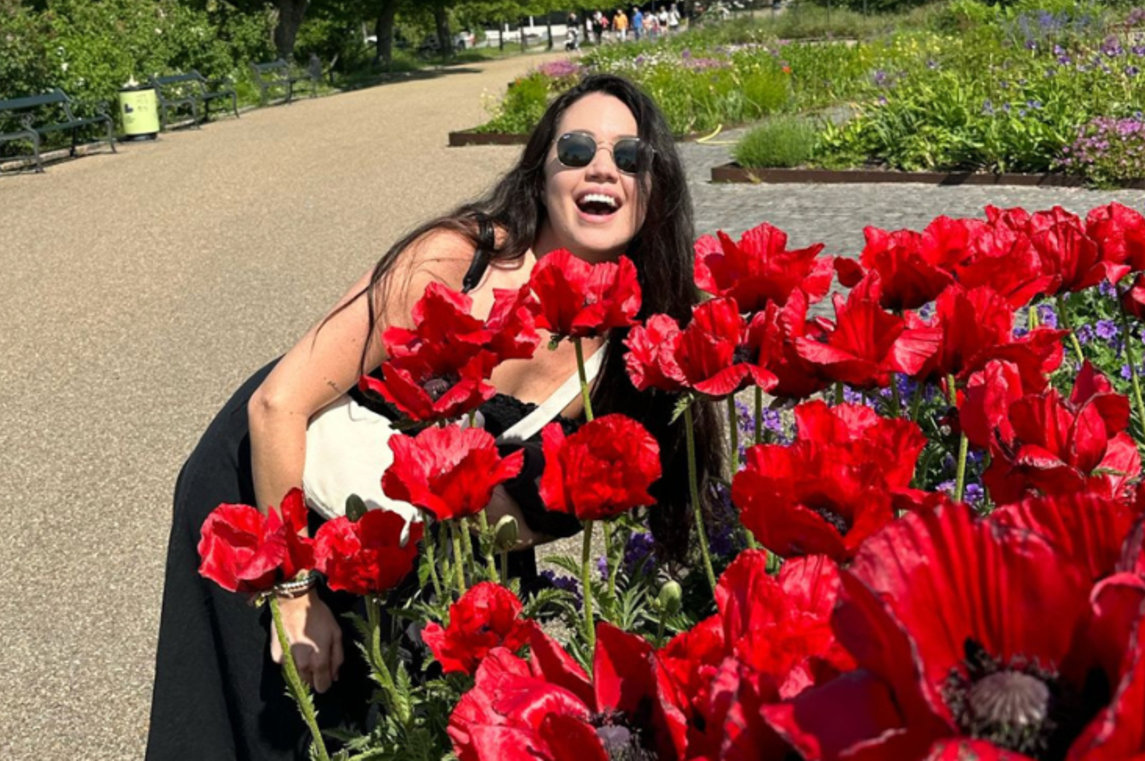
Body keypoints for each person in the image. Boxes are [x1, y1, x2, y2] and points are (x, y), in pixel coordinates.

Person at [145, 74, 722, 761]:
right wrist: (292, 595)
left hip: (415, 537)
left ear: (654, 188)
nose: (603, 167)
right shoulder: (460, 262)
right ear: (541, 172)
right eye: (576, 148)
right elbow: (278, 403)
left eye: (630, 156)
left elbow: (520, 517)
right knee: (277, 729)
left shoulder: (633, 348)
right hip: (277, 492)